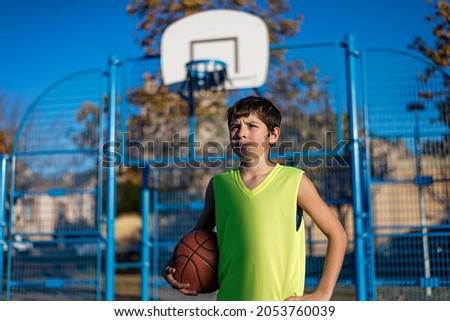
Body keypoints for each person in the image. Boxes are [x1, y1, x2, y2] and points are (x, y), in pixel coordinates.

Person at [163, 95, 347, 301]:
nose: (241, 133)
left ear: (273, 135)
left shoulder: (294, 181)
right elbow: (196, 238)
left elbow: (337, 234)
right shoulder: (219, 185)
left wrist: (322, 293)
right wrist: (175, 265)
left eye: (251, 125)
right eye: (235, 127)